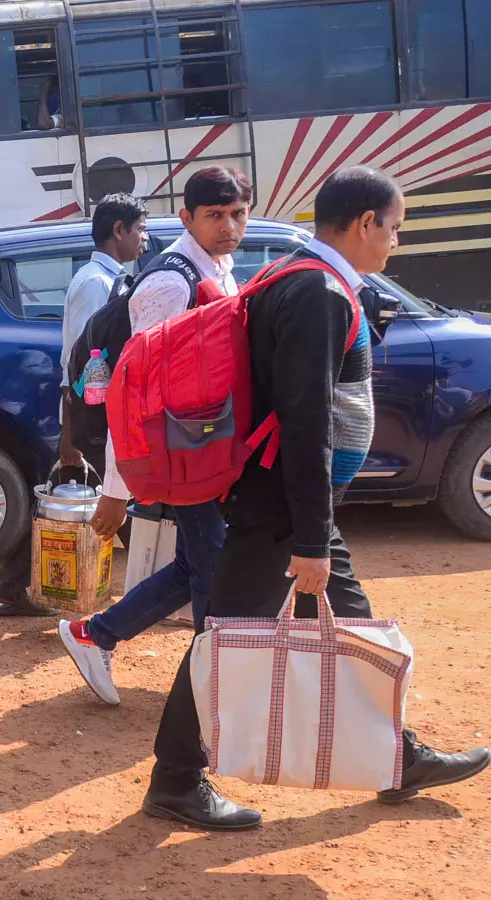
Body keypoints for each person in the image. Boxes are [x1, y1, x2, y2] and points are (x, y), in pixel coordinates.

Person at [143, 167, 489, 830]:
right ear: (365, 223)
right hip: (282, 507)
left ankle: (397, 758)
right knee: (224, 639)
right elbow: (306, 420)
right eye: (394, 229)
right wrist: (309, 539)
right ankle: (175, 781)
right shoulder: (318, 291)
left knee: (352, 630)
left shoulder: (303, 276)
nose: (394, 242)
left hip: (294, 504)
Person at [56, 169, 247, 702]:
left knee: (197, 562)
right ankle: (213, 693)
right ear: (187, 218)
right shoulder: (170, 284)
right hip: (179, 452)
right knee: (213, 568)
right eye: (214, 216)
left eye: (237, 214)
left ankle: (96, 634)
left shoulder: (219, 268)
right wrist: (117, 491)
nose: (228, 226)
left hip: (202, 447)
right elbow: (133, 394)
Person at [0, 194, 149, 619]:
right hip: (92, 414)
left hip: (100, 410)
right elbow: (80, 362)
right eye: (140, 229)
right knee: (114, 494)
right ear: (118, 230)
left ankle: (11, 585)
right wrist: (72, 430)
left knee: (77, 496)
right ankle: (156, 589)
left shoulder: (113, 279)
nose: (145, 239)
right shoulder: (95, 284)